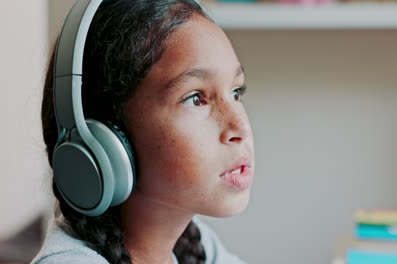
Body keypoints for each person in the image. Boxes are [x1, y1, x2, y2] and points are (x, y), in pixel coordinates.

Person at [31, 0, 255, 263]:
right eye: (196, 98)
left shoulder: (199, 248)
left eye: (236, 92)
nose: (239, 128)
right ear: (106, 138)